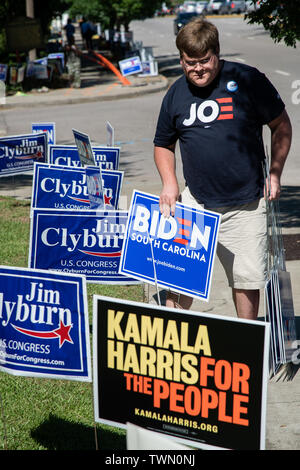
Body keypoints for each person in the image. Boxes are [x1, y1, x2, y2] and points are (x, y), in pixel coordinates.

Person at [153, 18, 292, 320]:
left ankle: (247, 346)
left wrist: (275, 173)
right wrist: (169, 183)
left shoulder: (247, 79)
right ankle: (173, 342)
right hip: (196, 203)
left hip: (246, 203)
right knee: (179, 278)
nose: (198, 69)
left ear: (217, 53)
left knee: (246, 282)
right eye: (190, 63)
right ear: (181, 60)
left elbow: (281, 125)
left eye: (204, 61)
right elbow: (163, 143)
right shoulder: (176, 94)